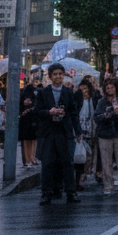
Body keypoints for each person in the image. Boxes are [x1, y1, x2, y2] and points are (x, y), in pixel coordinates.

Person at [35, 64, 80, 205]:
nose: (58, 76)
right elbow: (37, 112)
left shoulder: (68, 92)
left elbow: (74, 113)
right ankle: (46, 193)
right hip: (48, 133)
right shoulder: (43, 93)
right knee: (47, 163)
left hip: (64, 131)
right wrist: (49, 112)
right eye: (55, 74)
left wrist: (77, 131)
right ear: (50, 76)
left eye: (60, 74)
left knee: (67, 163)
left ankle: (71, 192)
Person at [94, 78, 118, 196]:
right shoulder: (101, 102)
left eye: (112, 87)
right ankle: (108, 186)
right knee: (106, 163)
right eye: (107, 88)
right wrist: (108, 115)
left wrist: (117, 115)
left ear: (116, 88)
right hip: (104, 135)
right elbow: (97, 117)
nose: (110, 90)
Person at [18, 69, 40, 167]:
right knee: (27, 140)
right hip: (27, 118)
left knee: (32, 139)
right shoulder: (25, 91)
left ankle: (31, 158)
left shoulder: (38, 91)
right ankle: (28, 159)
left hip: (32, 118)